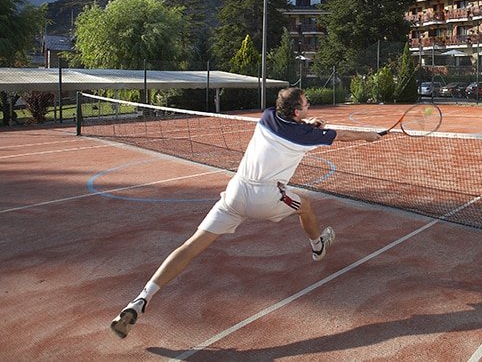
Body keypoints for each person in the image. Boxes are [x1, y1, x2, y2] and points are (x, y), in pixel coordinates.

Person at [110, 87, 383, 339]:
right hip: (267, 197)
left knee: (191, 245)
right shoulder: (305, 136)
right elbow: (343, 135)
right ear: (297, 111)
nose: (309, 105)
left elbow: (297, 128)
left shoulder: (267, 117)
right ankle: (317, 246)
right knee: (307, 207)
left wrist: (309, 125)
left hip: (235, 193)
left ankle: (142, 298)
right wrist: (369, 136)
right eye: (306, 104)